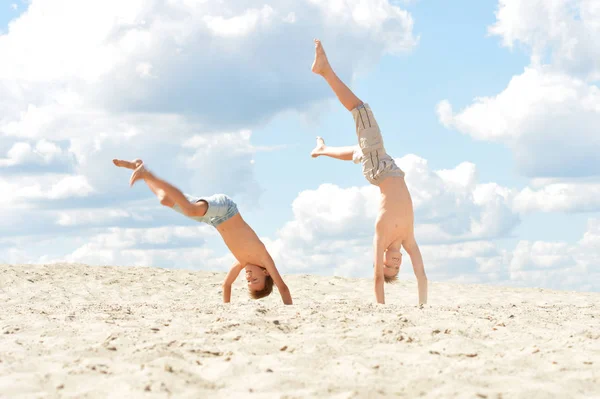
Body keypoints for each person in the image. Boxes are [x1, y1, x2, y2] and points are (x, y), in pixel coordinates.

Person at [309, 39, 427, 305]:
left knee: (360, 110)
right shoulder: (408, 239)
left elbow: (375, 278)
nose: (394, 264)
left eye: (388, 266)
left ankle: (324, 71)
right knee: (356, 151)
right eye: (396, 268)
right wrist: (423, 306)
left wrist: (381, 307)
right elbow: (421, 275)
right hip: (380, 165)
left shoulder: (382, 233)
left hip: (380, 168)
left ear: (382, 258)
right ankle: (323, 149)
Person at [113, 158, 293, 305]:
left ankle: (138, 167)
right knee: (190, 209)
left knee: (165, 200)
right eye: (255, 280)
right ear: (266, 273)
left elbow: (227, 284)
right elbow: (283, 288)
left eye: (248, 281)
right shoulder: (264, 258)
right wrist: (289, 312)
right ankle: (148, 173)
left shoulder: (242, 262)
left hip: (212, 220)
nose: (248, 277)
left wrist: (226, 309)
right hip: (225, 209)